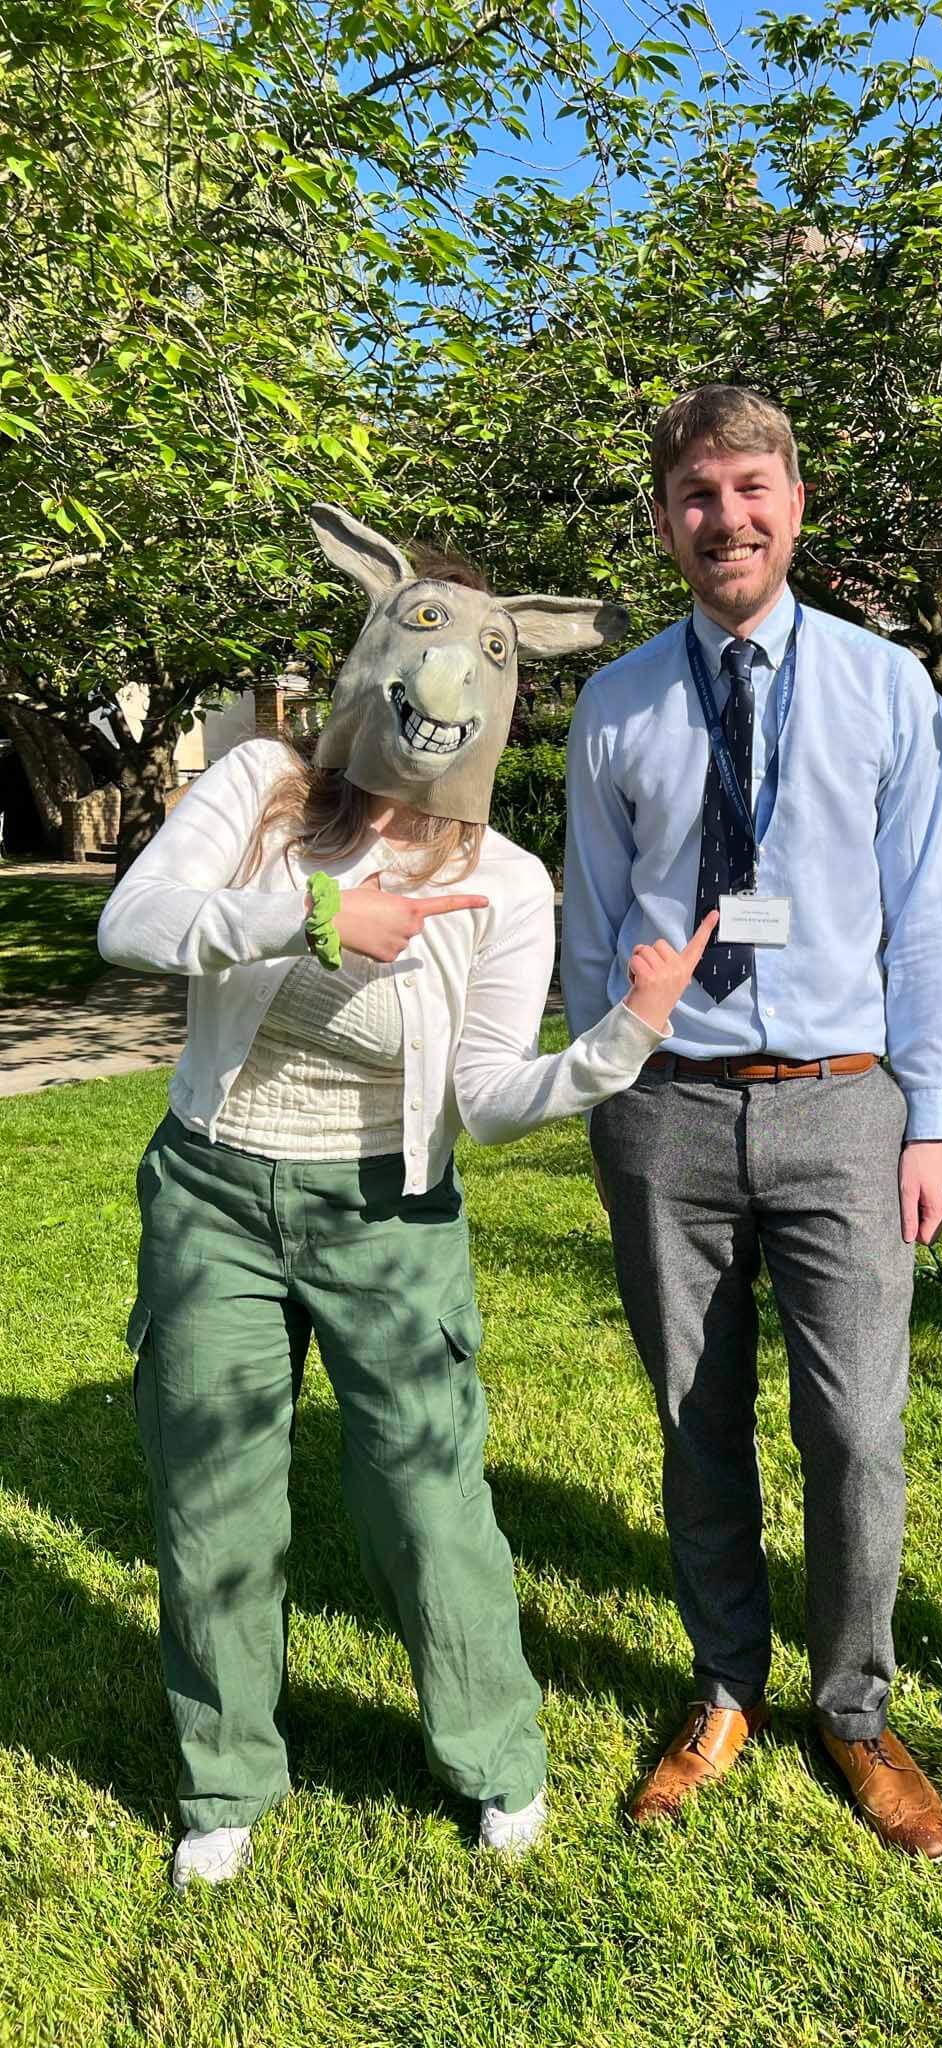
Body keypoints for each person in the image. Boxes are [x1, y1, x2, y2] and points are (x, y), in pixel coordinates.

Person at [98, 503, 713, 1890]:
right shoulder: (259, 786)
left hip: (389, 1215)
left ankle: (494, 1757)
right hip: (215, 1192)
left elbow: (488, 1099)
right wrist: (308, 914)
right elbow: (129, 927)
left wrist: (616, 1043)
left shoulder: (504, 879)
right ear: (373, 650)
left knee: (429, 1503)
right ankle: (224, 1781)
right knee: (214, 1502)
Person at [561, 385, 942, 1860]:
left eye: (747, 488)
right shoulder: (617, 704)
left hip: (843, 1108)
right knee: (694, 1418)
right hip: (665, 1116)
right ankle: (725, 1684)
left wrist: (922, 1118)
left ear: (795, 501)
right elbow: (594, 930)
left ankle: (852, 1704)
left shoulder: (884, 685)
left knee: (855, 1427)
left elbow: (923, 914)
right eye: (693, 495)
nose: (722, 518)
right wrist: (605, 1083)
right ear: (664, 520)